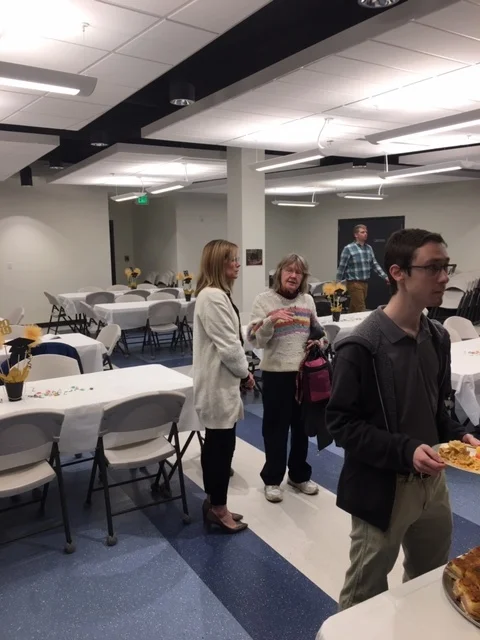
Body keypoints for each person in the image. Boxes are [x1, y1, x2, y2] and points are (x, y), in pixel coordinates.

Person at [327, 228, 480, 610]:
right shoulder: (360, 346)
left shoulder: (437, 337)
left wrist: (459, 435)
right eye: (432, 268)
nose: (444, 277)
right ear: (398, 273)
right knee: (363, 594)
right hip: (383, 488)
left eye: (446, 266)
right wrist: (406, 450)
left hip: (434, 483)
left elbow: (439, 407)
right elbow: (341, 425)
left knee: (430, 582)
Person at [248, 253, 325, 503]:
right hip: (275, 374)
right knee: (275, 430)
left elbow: (320, 332)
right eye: (289, 270)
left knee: (302, 428)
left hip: (303, 375)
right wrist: (271, 320)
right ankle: (272, 479)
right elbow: (255, 339)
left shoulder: (308, 300)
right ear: (279, 272)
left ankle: (299, 475)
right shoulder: (264, 300)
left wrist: (320, 341)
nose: (293, 276)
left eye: (298, 272)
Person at [193, 239, 254, 534]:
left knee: (218, 446)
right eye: (233, 260)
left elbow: (230, 336)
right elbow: (228, 347)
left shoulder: (217, 296)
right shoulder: (213, 297)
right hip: (217, 386)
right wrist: (245, 373)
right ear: (219, 263)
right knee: (220, 449)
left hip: (220, 384)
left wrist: (249, 331)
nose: (238, 264)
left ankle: (216, 503)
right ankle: (218, 509)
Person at [336, 224, 389, 313]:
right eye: (362, 232)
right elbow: (342, 267)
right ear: (356, 235)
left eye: (366, 232)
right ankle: (364, 327)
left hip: (365, 283)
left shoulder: (368, 248)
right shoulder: (349, 248)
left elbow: (374, 264)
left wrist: (385, 277)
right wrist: (337, 284)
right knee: (361, 308)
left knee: (354, 308)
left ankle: (348, 324)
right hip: (354, 283)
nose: (365, 234)